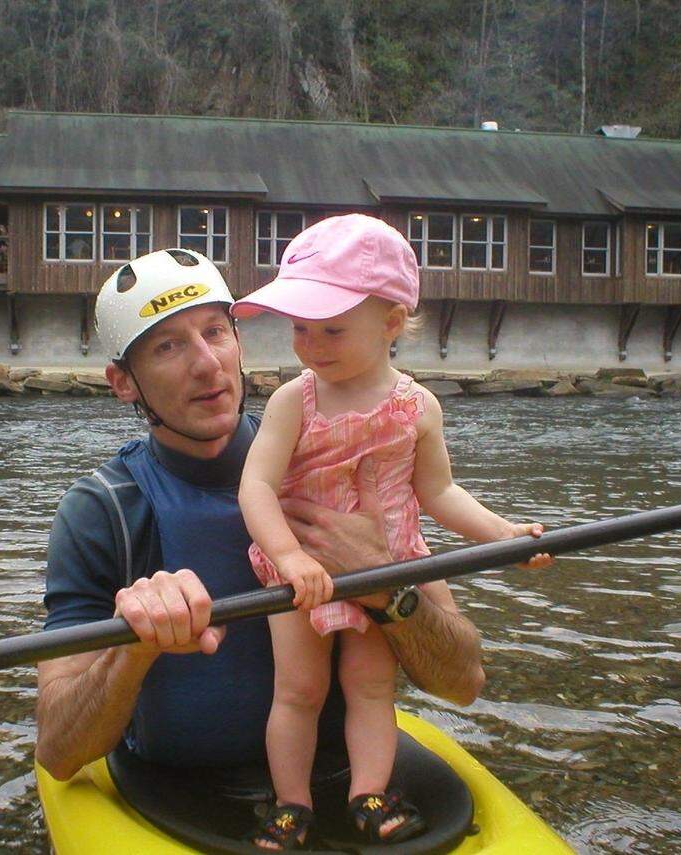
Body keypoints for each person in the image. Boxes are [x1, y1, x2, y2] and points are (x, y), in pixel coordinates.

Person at [34, 247, 496, 841]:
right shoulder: (103, 511)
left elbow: (463, 683)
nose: (207, 364)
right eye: (168, 346)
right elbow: (60, 749)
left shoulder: (348, 463)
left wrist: (387, 588)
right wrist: (135, 646)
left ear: (239, 342)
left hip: (349, 785)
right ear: (123, 382)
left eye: (215, 333)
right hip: (181, 796)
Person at [231, 214, 551, 848]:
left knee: (372, 688)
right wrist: (290, 557)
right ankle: (290, 803)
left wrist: (505, 536)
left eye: (331, 329)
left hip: (390, 566)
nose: (312, 345)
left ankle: (369, 796)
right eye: (300, 329)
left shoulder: (417, 407)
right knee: (299, 690)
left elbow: (439, 493)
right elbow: (256, 486)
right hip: (306, 570)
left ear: (392, 322)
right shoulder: (297, 400)